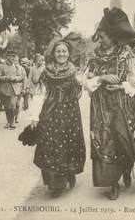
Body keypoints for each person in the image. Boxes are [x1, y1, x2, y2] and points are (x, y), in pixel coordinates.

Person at [81, 7, 135, 200]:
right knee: (105, 144)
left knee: (124, 141)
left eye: (103, 36)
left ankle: (125, 169)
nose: (100, 40)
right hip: (100, 109)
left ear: (113, 35)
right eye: (99, 36)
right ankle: (113, 183)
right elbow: (84, 81)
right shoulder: (93, 57)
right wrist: (102, 77)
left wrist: (122, 86)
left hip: (123, 106)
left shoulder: (126, 54)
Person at [31, 32, 86, 197]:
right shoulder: (46, 73)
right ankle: (56, 183)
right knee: (49, 144)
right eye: (58, 52)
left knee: (69, 144)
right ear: (53, 54)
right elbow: (40, 94)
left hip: (70, 115)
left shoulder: (75, 71)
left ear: (69, 54)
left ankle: (69, 173)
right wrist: (35, 116)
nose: (61, 54)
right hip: (51, 113)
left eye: (64, 51)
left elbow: (86, 84)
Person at [0, 50, 24, 129]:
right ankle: (8, 122)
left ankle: (12, 122)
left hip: (14, 89)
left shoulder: (17, 66)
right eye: (9, 56)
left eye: (13, 56)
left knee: (12, 105)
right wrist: (5, 78)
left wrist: (15, 78)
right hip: (4, 89)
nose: (11, 58)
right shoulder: (1, 66)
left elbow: (21, 76)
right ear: (6, 57)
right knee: (6, 107)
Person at [13, 55, 27, 124]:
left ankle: (16, 117)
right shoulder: (11, 68)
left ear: (18, 60)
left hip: (19, 88)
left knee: (18, 104)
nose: (14, 61)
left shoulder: (21, 69)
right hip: (11, 89)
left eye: (16, 60)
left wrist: (24, 88)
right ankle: (11, 119)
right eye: (13, 60)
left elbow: (25, 78)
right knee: (12, 104)